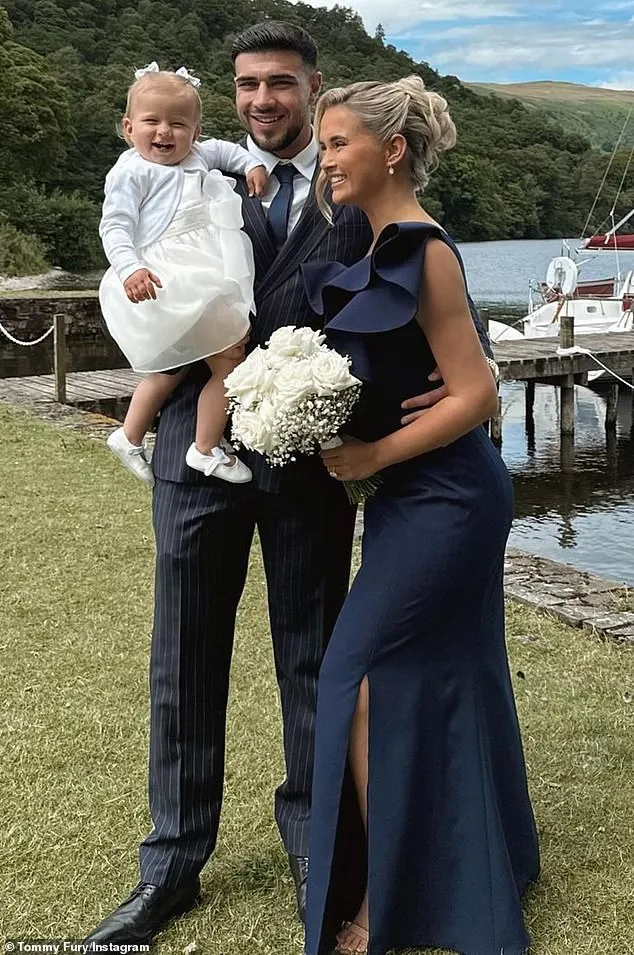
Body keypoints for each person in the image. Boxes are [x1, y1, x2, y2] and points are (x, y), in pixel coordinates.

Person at [84, 24, 495, 947]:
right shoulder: (183, 166)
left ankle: (317, 844)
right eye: (246, 85)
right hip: (199, 442)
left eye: (279, 84)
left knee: (311, 654)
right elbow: (132, 276)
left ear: (312, 89)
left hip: (311, 458)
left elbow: (421, 290)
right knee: (182, 657)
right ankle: (171, 863)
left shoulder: (355, 183)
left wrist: (419, 391)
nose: (262, 100)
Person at [300, 78, 540, 955]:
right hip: (414, 500)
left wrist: (366, 458)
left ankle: (386, 898)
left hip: (448, 499)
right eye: (324, 145)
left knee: (353, 676)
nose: (325, 159)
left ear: (390, 149)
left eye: (336, 143)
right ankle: (483, 864)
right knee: (452, 674)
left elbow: (475, 391)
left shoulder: (422, 248)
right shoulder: (372, 241)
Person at [100, 63, 268, 485]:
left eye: (178, 124)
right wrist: (130, 267)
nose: (164, 133)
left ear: (195, 131)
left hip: (202, 273)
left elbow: (228, 152)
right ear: (128, 127)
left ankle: (133, 435)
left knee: (189, 365)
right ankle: (203, 446)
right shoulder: (130, 172)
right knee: (218, 360)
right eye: (151, 122)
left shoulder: (198, 154)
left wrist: (251, 165)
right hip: (163, 280)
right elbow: (115, 226)